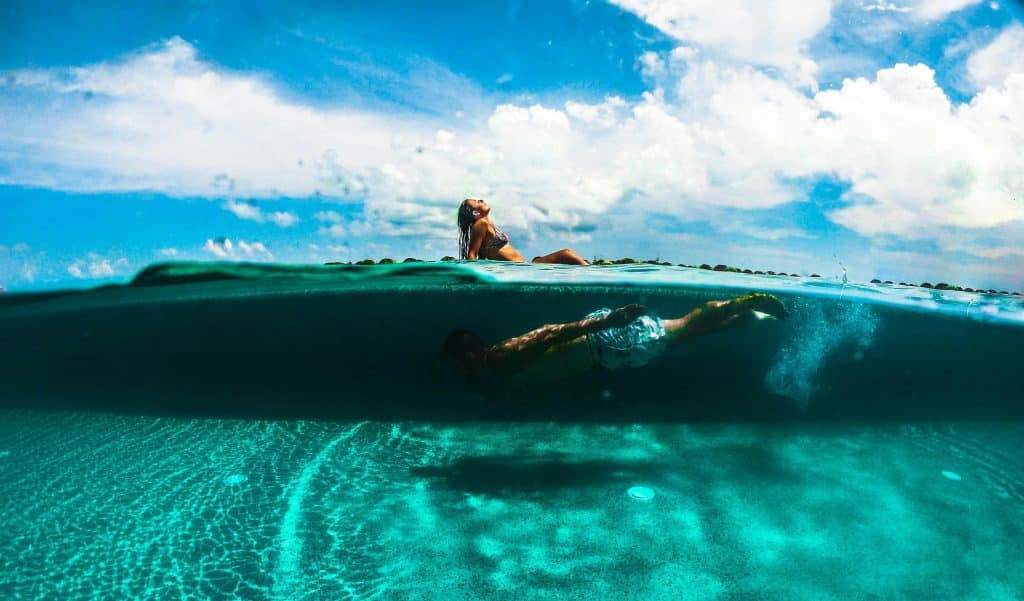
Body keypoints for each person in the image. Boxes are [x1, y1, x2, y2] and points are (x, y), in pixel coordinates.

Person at [443, 292, 787, 384]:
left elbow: (549, 333)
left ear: (468, 355)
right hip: (604, 346)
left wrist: (609, 320)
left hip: (605, 342)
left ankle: (738, 304)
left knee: (683, 325)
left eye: (455, 365)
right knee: (684, 334)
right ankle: (751, 316)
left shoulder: (500, 357)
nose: (456, 371)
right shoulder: (497, 366)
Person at [457, 198, 589, 264]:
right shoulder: (481, 224)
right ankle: (591, 272)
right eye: (476, 202)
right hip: (521, 269)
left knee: (568, 257)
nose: (480, 200)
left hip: (526, 266)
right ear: (475, 212)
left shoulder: (488, 223)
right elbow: (472, 255)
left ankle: (589, 269)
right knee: (567, 254)